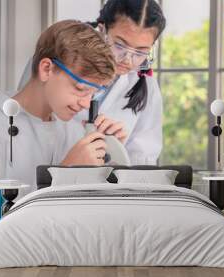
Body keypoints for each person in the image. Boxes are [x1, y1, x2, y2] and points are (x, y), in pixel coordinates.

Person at [0, 20, 125, 221]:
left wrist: (114, 155)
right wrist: (64, 174)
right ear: (47, 69)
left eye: (93, 94)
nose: (85, 103)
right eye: (81, 89)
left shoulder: (74, 130)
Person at [18, 0, 166, 165]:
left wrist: (115, 148)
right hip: (47, 179)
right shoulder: (59, 57)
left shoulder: (146, 87)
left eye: (140, 52)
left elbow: (142, 163)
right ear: (102, 29)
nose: (128, 60)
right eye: (119, 45)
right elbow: (24, 128)